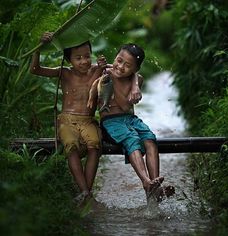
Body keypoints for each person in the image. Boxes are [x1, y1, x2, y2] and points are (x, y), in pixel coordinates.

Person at [30, 32, 142, 204]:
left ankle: (86, 192)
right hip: (67, 120)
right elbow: (35, 69)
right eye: (78, 58)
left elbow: (128, 68)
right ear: (69, 61)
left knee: (95, 148)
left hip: (88, 121)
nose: (84, 61)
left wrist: (133, 85)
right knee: (71, 148)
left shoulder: (98, 69)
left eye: (87, 56)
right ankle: (85, 191)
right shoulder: (64, 73)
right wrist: (39, 47)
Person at [88, 43, 175, 202]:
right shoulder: (105, 76)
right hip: (110, 122)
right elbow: (93, 84)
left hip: (130, 119)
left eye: (127, 65)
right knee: (132, 140)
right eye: (119, 60)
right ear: (115, 57)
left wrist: (134, 84)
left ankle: (155, 187)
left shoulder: (136, 79)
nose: (120, 67)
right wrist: (104, 71)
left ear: (135, 69)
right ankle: (146, 182)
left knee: (150, 139)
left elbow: (125, 105)